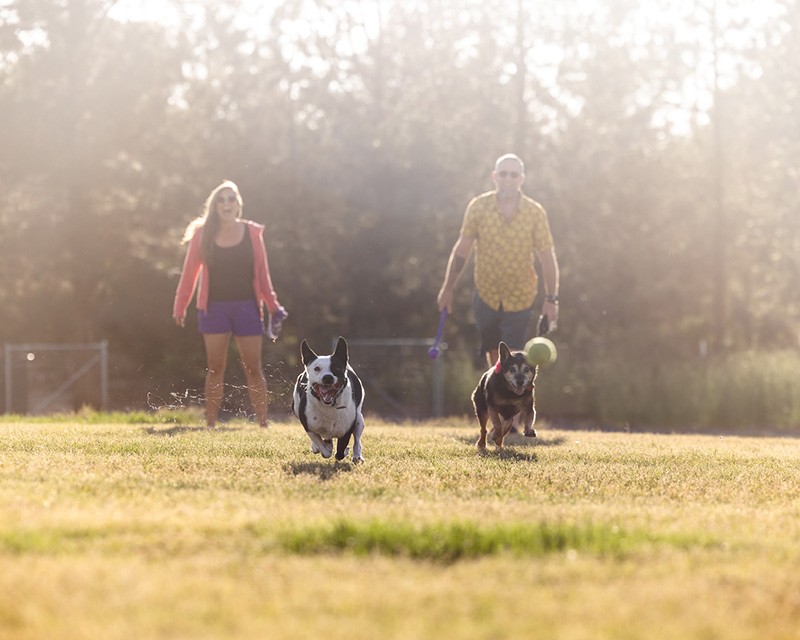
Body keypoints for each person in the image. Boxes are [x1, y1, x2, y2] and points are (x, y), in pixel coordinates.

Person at [173, 180, 287, 428]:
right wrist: (180, 304)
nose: (226, 203)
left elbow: (263, 273)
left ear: (238, 205)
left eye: (231, 199)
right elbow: (189, 272)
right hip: (213, 310)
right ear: (214, 206)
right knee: (215, 367)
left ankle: (263, 423)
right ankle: (211, 424)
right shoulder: (202, 235)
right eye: (221, 200)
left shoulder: (253, 234)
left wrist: (273, 306)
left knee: (254, 369)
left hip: (247, 307)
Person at [437, 153, 559, 367]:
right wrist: (448, 289)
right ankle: (497, 400)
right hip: (486, 295)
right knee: (495, 360)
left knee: (513, 359)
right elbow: (462, 250)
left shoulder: (535, 213)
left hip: (521, 296)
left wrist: (551, 299)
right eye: (503, 174)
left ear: (522, 179)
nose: (508, 179)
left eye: (514, 175)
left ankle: (512, 398)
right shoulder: (478, 207)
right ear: (494, 176)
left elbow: (547, 257)